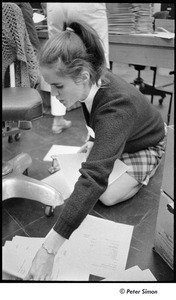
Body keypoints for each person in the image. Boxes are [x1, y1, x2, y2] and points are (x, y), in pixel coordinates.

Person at [25, 20, 166, 280]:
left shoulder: (116, 109)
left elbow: (94, 180)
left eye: (57, 86)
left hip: (146, 142)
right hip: (121, 134)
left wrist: (48, 250)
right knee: (88, 162)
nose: (53, 95)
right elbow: (96, 123)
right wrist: (90, 144)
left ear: (84, 76)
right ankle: (111, 152)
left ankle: (145, 170)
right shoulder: (89, 82)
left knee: (108, 195)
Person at [41, 3, 109, 134]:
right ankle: (98, 130)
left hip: (55, 6)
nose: (54, 92)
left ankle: (58, 120)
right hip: (86, 6)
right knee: (97, 57)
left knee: (56, 60)